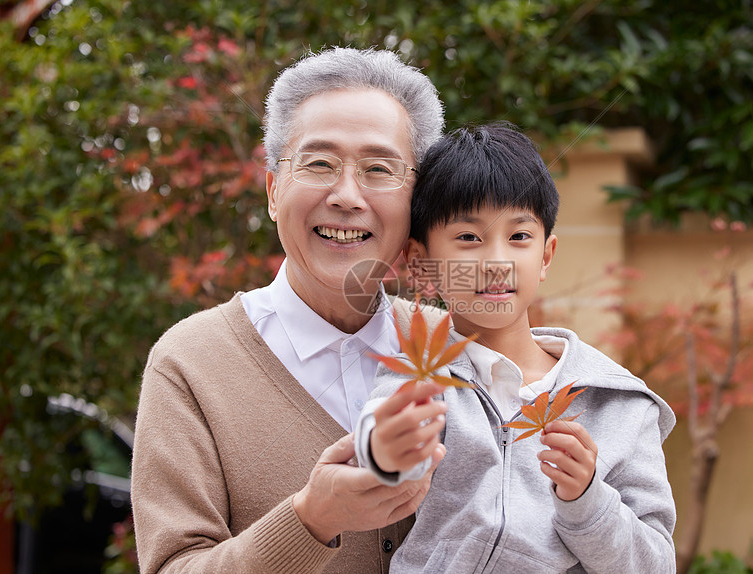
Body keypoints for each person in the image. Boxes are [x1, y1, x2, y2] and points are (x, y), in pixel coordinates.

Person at [130, 47, 450, 574]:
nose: (347, 196)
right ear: (274, 190)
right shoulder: (190, 364)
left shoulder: (455, 346)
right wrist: (310, 519)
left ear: (418, 201)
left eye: (379, 168)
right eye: (319, 163)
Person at [354, 123, 678, 573]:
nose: (495, 262)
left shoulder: (618, 404)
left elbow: (655, 564)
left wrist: (588, 500)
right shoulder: (421, 372)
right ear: (421, 261)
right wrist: (383, 449)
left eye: (519, 237)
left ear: (546, 256)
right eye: (468, 238)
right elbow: (380, 447)